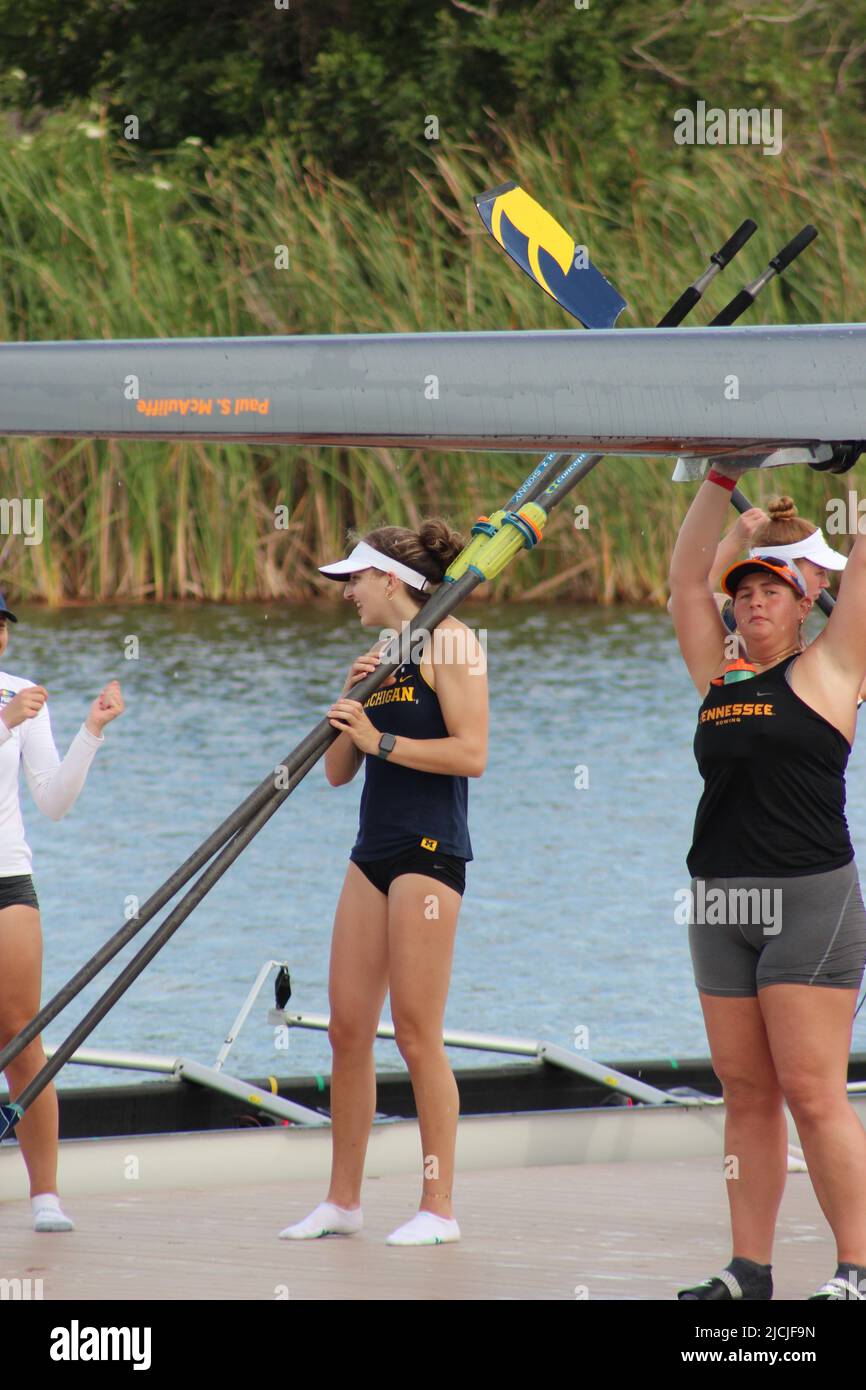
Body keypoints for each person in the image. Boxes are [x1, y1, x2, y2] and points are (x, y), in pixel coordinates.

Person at [668, 464, 866, 1300]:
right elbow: (684, 577)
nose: (754, 602)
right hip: (720, 902)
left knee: (814, 1095)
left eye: (773, 592)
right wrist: (717, 474)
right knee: (745, 1091)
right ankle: (749, 1271)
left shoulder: (831, 670)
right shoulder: (718, 676)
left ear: (805, 600)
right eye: (744, 591)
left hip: (809, 902)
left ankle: (855, 1268)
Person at [279, 521, 488, 1246]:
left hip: (431, 853)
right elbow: (339, 774)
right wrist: (349, 707)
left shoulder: (453, 641)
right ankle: (343, 1202)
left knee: (417, 1033)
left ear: (390, 581)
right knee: (346, 1029)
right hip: (372, 850)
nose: (347, 593)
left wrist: (383, 740)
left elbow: (473, 753)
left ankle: (439, 1207)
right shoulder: (378, 656)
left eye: (355, 580)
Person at [0, 589, 124, 1231]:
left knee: (23, 1036)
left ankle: (45, 1195)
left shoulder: (22, 693)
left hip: (8, 880)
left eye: (1, 626)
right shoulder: (12, 708)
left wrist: (90, 731)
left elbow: (52, 801)